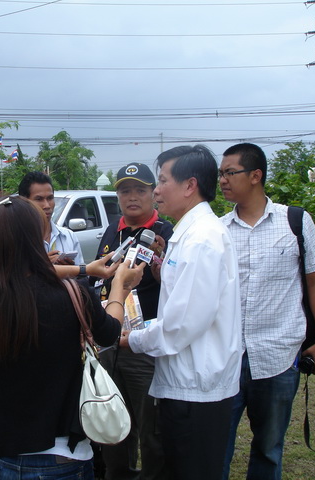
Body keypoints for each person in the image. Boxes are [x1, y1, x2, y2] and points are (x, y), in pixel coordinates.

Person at [0, 196, 145, 479]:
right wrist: (119, 286)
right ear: (36, 241)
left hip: (0, 458)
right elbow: (110, 332)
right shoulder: (74, 295)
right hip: (66, 455)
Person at [121, 145, 242, 480]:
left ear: (190, 185)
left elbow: (181, 325)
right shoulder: (189, 234)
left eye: (162, 181)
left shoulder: (201, 239)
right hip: (186, 384)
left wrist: (132, 339)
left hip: (196, 391)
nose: (156, 191)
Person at [219, 143, 315, 480]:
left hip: (279, 356)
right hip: (226, 358)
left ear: (255, 176)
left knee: (269, 449)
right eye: (221, 174)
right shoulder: (219, 230)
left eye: (230, 173)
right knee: (217, 447)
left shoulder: (294, 221)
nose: (222, 180)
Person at [95, 162, 173, 480]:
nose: (132, 197)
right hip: (111, 340)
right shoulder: (112, 231)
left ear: (153, 193)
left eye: (140, 190)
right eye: (125, 190)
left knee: (150, 426)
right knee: (113, 421)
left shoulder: (165, 233)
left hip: (145, 346)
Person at [18, 171, 84, 265]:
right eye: (39, 199)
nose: (47, 205)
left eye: (50, 198)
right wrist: (44, 266)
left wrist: (71, 269)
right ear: (24, 202)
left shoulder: (68, 237)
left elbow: (82, 272)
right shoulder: (16, 239)